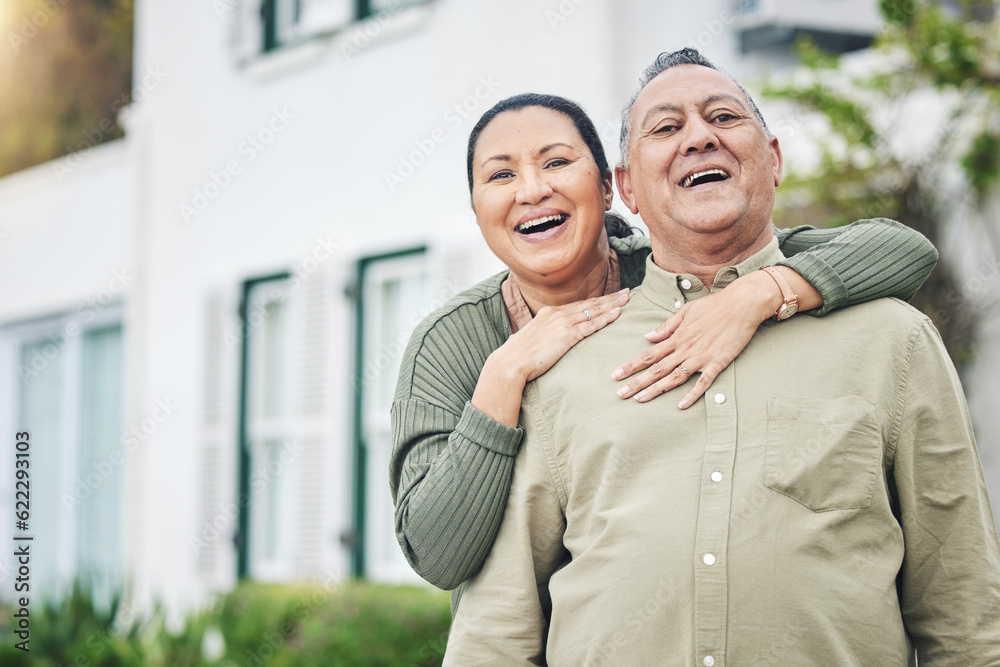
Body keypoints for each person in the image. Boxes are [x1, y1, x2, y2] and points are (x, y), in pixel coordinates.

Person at [442, 49, 1000, 665]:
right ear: (625, 186)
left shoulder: (894, 341)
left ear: (775, 159)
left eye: (725, 117)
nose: (700, 138)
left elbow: (966, 613)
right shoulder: (558, 361)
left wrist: (764, 293)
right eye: (666, 128)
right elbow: (495, 630)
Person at [390, 91, 938, 604]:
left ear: (610, 188)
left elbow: (902, 249)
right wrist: (504, 376)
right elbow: (437, 555)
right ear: (476, 206)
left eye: (556, 163)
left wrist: (752, 295)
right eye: (501, 175)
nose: (531, 190)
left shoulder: (672, 269)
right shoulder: (450, 342)